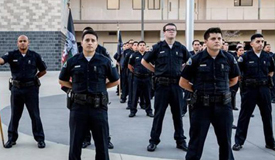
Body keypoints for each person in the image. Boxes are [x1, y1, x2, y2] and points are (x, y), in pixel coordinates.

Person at [180, 27, 240, 160]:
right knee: (196, 143)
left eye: (219, 38)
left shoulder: (229, 58)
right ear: (206, 41)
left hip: (223, 106)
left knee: (225, 142)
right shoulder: (196, 59)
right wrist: (197, 90)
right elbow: (183, 82)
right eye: (213, 39)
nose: (217, 41)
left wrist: (221, 91)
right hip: (201, 106)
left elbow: (234, 79)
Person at [59, 30, 119, 160]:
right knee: (75, 143)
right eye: (87, 40)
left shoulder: (105, 61)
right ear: (82, 43)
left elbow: (116, 80)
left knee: (102, 143)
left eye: (93, 40)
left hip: (98, 108)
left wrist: (103, 87)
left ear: (97, 44)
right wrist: (74, 88)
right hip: (78, 107)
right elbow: (62, 80)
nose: (90, 43)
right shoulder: (72, 61)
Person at [142, 23, 190, 152]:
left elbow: (190, 62)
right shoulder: (157, 47)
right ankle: (153, 141)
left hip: (176, 86)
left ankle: (180, 140)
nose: (171, 32)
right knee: (159, 114)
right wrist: (155, 71)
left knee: (178, 115)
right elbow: (144, 61)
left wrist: (182, 73)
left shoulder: (181, 48)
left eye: (173, 30)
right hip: (161, 86)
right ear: (164, 32)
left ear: (176, 32)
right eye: (168, 30)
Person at [0, 35, 47, 148]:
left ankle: (40, 139)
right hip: (16, 89)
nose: (22, 43)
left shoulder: (35, 56)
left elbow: (43, 70)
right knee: (15, 115)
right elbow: (1, 61)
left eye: (24, 41)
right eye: (20, 41)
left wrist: (34, 78)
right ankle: (11, 139)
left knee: (35, 115)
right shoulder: (12, 54)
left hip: (31, 89)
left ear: (28, 43)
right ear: (17, 43)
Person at [233, 34, 275, 151]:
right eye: (258, 41)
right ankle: (238, 142)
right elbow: (237, 72)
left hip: (264, 89)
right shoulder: (245, 57)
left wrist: (264, 80)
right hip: (250, 90)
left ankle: (270, 142)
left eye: (262, 41)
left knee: (267, 116)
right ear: (251, 44)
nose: (260, 43)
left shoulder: (267, 56)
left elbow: (271, 71)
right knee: (244, 116)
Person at [128, 41, 154, 118]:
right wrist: (135, 72)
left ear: (145, 47)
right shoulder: (134, 55)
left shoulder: (149, 55)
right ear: (138, 47)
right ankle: (133, 111)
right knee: (135, 95)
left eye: (143, 45)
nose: (142, 46)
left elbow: (153, 64)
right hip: (137, 78)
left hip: (147, 78)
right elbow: (129, 65)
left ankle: (149, 111)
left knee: (147, 95)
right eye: (140, 45)